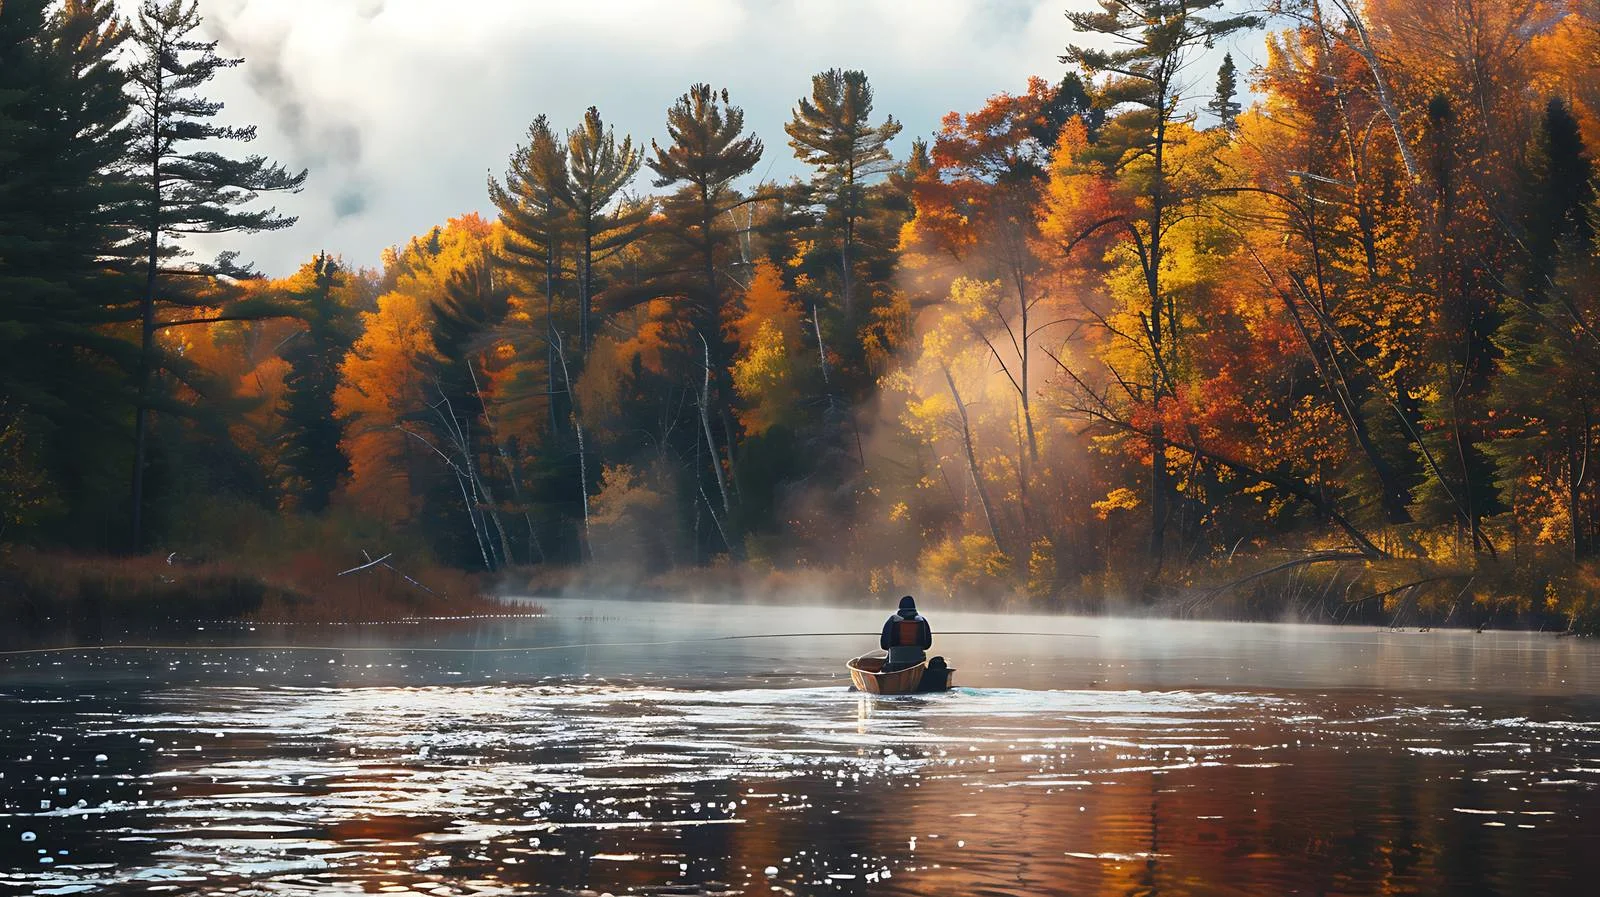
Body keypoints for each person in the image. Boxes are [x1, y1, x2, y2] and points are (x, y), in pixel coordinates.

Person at [880, 595, 933, 672]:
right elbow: (927, 645)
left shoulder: (892, 620)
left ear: (900, 607)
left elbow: (884, 645)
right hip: (916, 664)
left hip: (895, 663)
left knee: (884, 665)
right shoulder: (922, 620)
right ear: (914, 607)